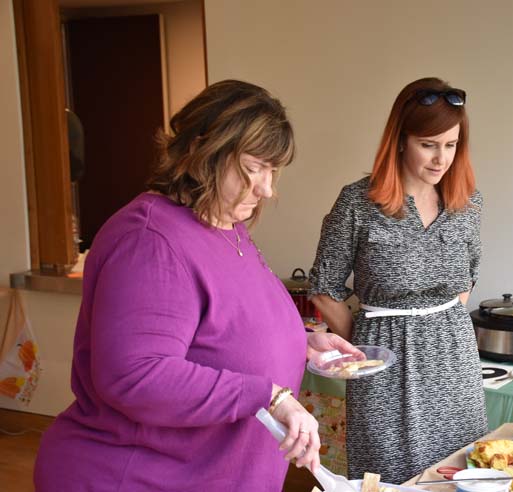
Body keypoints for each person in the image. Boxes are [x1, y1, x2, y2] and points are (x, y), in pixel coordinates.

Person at [34, 80, 362, 492]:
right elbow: (135, 375)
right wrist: (270, 395)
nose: (267, 189)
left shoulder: (225, 225)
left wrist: (301, 340)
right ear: (203, 151)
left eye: (273, 170)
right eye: (253, 167)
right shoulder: (151, 239)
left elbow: (225, 326)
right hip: (137, 476)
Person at [309, 77, 488, 483]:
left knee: (459, 474)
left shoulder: (468, 202)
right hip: (384, 366)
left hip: (455, 363)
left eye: (451, 145)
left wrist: (436, 329)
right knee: (388, 475)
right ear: (401, 139)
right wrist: (370, 336)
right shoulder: (357, 203)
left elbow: (467, 281)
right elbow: (324, 288)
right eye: (429, 144)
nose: (441, 158)